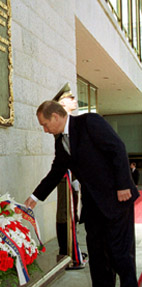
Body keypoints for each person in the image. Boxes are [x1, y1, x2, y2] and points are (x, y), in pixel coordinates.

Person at [25, 100, 141, 287]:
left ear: (56, 117)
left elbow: (117, 148)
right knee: (97, 252)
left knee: (120, 253)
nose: (45, 129)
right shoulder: (62, 141)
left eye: (45, 124)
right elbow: (56, 171)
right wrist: (35, 197)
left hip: (117, 198)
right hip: (94, 205)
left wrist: (123, 185)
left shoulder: (90, 122)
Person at [53, 84, 84, 267]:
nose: (75, 100)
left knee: (72, 214)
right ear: (62, 103)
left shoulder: (73, 122)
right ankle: (67, 252)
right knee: (66, 213)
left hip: (72, 176)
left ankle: (73, 250)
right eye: (71, 98)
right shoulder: (61, 126)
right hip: (66, 176)